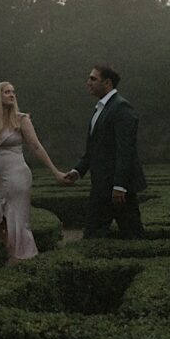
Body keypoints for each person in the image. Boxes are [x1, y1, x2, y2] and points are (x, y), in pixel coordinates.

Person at [0, 81, 68, 263]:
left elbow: (36, 147)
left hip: (18, 177)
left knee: (16, 219)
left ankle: (22, 259)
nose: (11, 95)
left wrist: (55, 172)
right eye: (7, 92)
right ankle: (0, 258)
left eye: (13, 92)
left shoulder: (21, 119)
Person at [64, 64, 147, 239]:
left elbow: (126, 150)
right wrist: (78, 171)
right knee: (103, 234)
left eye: (93, 79)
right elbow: (95, 148)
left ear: (107, 82)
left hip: (117, 188)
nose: (88, 83)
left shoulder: (121, 108)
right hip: (102, 185)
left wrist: (119, 186)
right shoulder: (101, 108)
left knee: (131, 234)